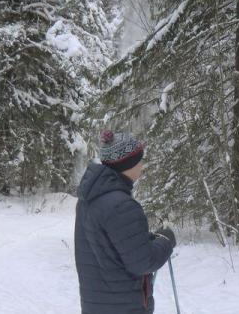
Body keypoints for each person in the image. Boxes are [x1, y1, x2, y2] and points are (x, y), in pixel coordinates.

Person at [75, 130, 176, 314]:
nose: (142, 165)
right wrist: (166, 241)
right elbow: (143, 262)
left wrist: (148, 239)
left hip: (96, 306)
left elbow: (112, 244)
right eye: (139, 160)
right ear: (127, 164)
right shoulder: (123, 205)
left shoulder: (89, 199)